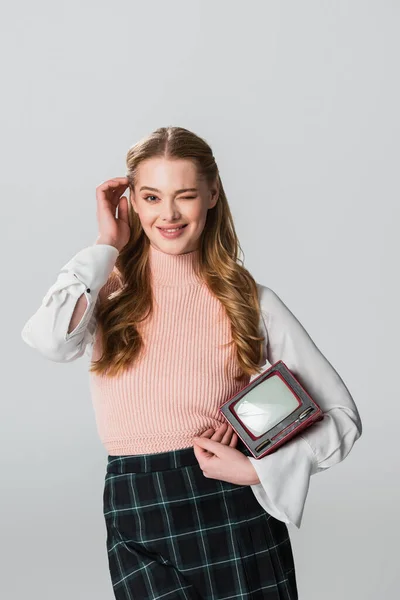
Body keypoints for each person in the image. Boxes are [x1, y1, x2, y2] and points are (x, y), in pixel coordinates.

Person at [21, 126, 362, 600]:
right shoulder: (106, 292)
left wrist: (259, 472)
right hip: (135, 501)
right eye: (152, 197)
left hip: (229, 502)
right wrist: (105, 245)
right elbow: (49, 340)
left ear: (212, 194)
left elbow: (342, 417)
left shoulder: (249, 300)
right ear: (132, 203)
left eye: (184, 195)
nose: (169, 214)